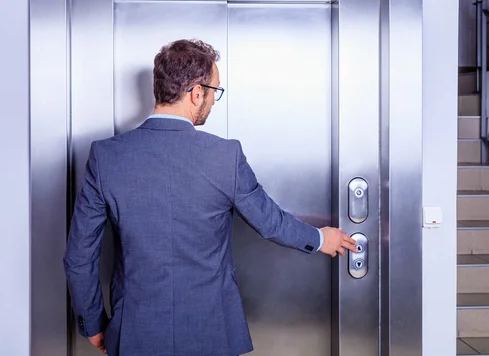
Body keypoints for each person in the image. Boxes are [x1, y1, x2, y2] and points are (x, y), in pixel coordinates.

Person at [63, 39, 357, 356]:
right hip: (211, 332)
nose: (214, 101)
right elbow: (269, 222)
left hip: (135, 331)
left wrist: (92, 324)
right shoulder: (224, 156)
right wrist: (319, 238)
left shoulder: (106, 157)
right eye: (215, 91)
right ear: (196, 93)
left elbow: (79, 257)